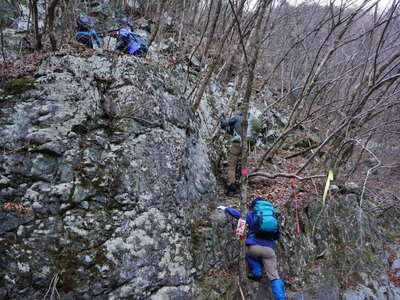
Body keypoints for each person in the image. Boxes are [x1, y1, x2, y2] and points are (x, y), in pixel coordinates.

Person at [217, 197, 286, 300]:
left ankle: (257, 271)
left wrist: (225, 208)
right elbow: (277, 235)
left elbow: (238, 214)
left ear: (254, 206)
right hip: (270, 250)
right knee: (274, 277)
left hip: (254, 248)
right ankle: (280, 298)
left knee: (246, 254)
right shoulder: (272, 217)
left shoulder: (253, 215)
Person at [220, 105, 256, 196]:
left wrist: (221, 117)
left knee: (232, 166)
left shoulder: (236, 118)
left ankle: (231, 186)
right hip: (246, 147)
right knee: (243, 167)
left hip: (236, 145)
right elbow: (233, 132)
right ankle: (242, 183)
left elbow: (224, 124)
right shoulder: (249, 123)